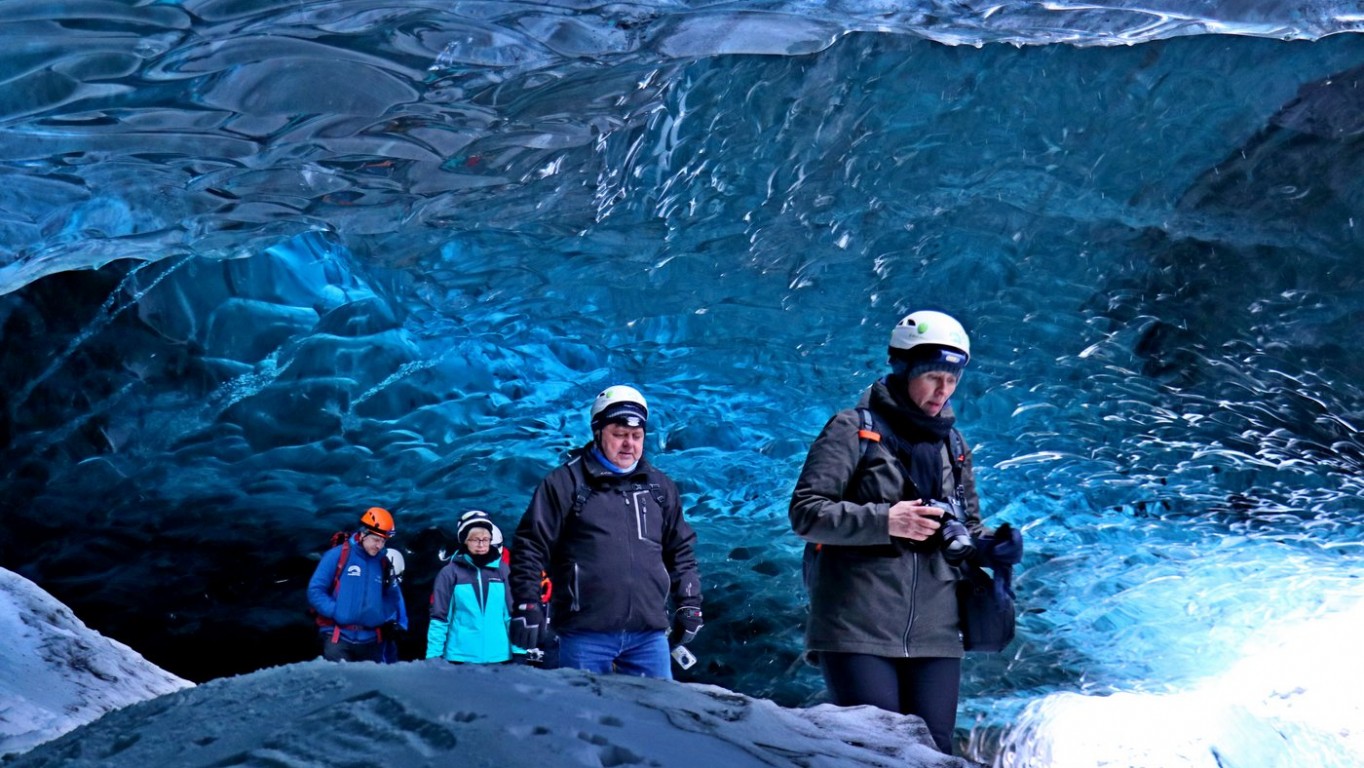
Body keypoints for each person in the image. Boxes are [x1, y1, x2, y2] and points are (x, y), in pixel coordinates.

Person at [789, 310, 986, 755]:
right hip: (858, 625)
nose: (943, 391)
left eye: (952, 380)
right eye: (933, 377)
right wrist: (885, 521)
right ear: (902, 368)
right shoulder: (852, 428)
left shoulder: (954, 446)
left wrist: (993, 546)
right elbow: (806, 512)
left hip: (937, 632)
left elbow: (969, 527)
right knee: (877, 755)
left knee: (934, 756)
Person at [509, 385, 703, 679]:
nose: (629, 444)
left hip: (649, 637)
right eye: (619, 434)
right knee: (586, 721)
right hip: (583, 635)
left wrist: (689, 603)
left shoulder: (660, 488)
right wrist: (527, 603)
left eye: (636, 436)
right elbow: (531, 546)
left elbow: (681, 550)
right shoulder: (564, 483)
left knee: (654, 720)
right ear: (598, 432)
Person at [307, 506, 407, 663]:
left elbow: (393, 596)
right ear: (363, 534)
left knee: (370, 687)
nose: (380, 546)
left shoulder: (384, 563)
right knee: (341, 685)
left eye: (383, 541)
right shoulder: (337, 555)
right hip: (338, 639)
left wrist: (379, 615)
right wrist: (335, 610)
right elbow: (316, 590)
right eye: (376, 539)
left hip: (372, 642)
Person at [426, 510, 516, 664]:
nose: (481, 544)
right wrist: (433, 657)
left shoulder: (503, 570)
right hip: (459, 657)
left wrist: (519, 652)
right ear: (465, 541)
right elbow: (439, 618)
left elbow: (511, 616)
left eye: (485, 539)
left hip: (500, 657)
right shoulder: (448, 573)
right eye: (475, 539)